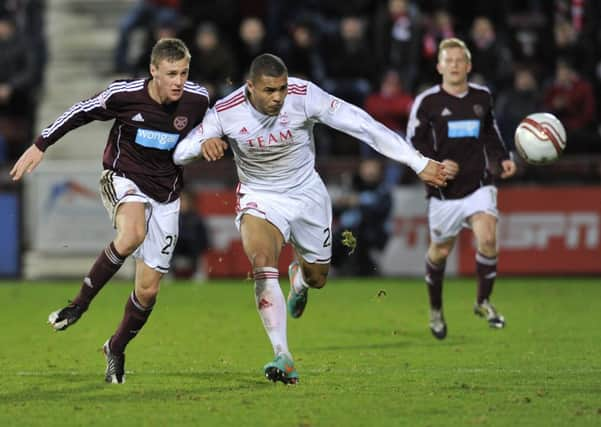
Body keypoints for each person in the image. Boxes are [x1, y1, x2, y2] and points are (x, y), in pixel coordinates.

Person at [173, 53, 447, 384]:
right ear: (250, 88)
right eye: (270, 90)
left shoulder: (304, 96)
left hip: (307, 194)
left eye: (282, 89)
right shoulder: (225, 112)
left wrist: (417, 162)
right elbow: (180, 151)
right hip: (261, 196)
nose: (278, 98)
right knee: (261, 261)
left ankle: (300, 279)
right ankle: (282, 355)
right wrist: (204, 143)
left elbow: (362, 124)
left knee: (318, 277)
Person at [10, 38, 209, 383]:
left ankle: (115, 348)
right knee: (132, 234)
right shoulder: (125, 95)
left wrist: (214, 140)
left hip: (166, 195)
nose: (179, 80)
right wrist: (41, 143)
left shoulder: (198, 99)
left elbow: (219, 124)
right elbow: (80, 111)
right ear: (153, 71)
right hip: (123, 178)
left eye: (184, 72)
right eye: (171, 73)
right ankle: (78, 305)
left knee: (147, 292)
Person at [406, 38, 516, 340]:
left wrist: (502, 158)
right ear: (440, 66)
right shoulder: (426, 102)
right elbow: (413, 144)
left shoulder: (482, 97)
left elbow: (491, 133)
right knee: (439, 252)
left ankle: (483, 302)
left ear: (468, 66)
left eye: (459, 60)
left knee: (488, 237)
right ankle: (436, 310)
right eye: (448, 60)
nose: (454, 65)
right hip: (444, 191)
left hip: (479, 184)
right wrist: (438, 164)